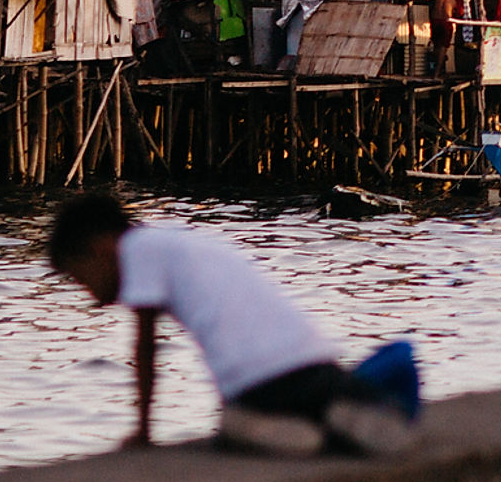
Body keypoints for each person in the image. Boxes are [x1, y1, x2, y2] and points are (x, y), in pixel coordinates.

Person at [48, 193, 418, 456]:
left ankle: (303, 437)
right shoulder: (180, 243)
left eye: (81, 278)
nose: (89, 292)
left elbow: (145, 348)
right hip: (314, 362)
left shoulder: (136, 250)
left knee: (232, 427)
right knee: (321, 395)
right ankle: (343, 411)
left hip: (256, 384)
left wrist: (143, 432)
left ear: (99, 249)